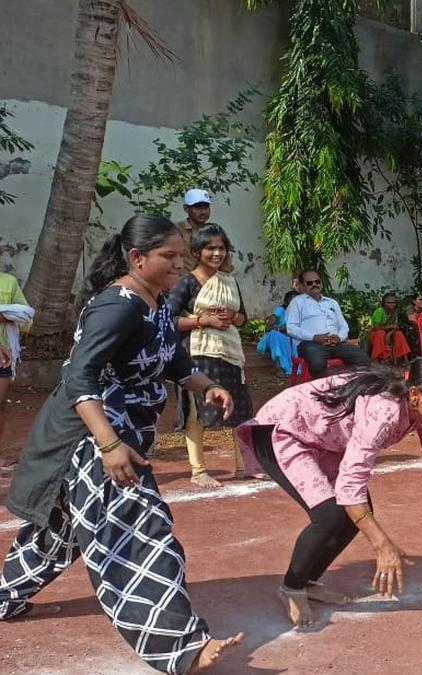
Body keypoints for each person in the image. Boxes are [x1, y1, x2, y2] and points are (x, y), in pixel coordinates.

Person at [0, 214, 243, 672]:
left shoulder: (157, 302)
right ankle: (179, 646)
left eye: (180, 256)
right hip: (92, 437)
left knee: (56, 534)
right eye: (168, 257)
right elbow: (78, 379)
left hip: (116, 432)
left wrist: (206, 384)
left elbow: (171, 361)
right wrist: (110, 445)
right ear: (137, 258)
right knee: (140, 532)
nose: (178, 265)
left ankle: (5, 596)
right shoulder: (119, 305)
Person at [234, 360, 422, 627]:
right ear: (415, 395)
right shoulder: (383, 412)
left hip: (323, 438)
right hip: (283, 429)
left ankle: (309, 581)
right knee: (329, 515)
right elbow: (351, 488)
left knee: (353, 515)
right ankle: (291, 588)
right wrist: (381, 544)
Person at [167, 224, 256, 488]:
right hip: (197, 353)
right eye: (210, 248)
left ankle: (243, 466)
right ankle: (198, 470)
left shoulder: (229, 282)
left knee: (239, 409)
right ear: (197, 251)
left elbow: (243, 320)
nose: (217, 253)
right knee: (198, 411)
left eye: (221, 248)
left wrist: (232, 317)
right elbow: (168, 319)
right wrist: (201, 320)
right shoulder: (187, 282)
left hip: (230, 353)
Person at [286, 270, 370, 378]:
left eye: (317, 281)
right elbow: (291, 328)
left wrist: (339, 338)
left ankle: (348, 387)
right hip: (310, 344)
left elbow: (344, 326)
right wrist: (315, 337)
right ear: (302, 286)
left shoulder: (332, 302)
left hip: (335, 343)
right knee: (317, 363)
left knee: (362, 358)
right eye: (310, 283)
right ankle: (321, 390)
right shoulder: (297, 302)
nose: (314, 285)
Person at [0, 249, 33, 448]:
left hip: (4, 354)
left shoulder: (9, 282)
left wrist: (5, 317)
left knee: (0, 404)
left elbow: (26, 318)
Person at [175, 189, 233, 273]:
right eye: (198, 207)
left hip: (211, 282)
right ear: (186, 208)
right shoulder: (176, 230)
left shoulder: (215, 231)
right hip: (184, 282)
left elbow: (226, 265)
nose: (203, 212)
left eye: (206, 207)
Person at [258, 290, 300, 375]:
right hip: (275, 337)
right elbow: (268, 328)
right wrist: (281, 328)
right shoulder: (280, 310)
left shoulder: (301, 312)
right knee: (275, 336)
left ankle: (291, 366)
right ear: (286, 302)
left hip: (291, 338)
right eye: (292, 301)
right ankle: (278, 368)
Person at [367, 292, 412, 365]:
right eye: (389, 303)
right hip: (375, 334)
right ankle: (376, 359)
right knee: (381, 333)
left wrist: (389, 334)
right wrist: (390, 327)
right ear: (384, 303)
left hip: (388, 333)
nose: (392, 305)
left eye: (393, 303)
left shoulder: (394, 312)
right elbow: (377, 327)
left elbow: (396, 326)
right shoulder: (380, 311)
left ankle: (404, 359)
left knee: (399, 334)